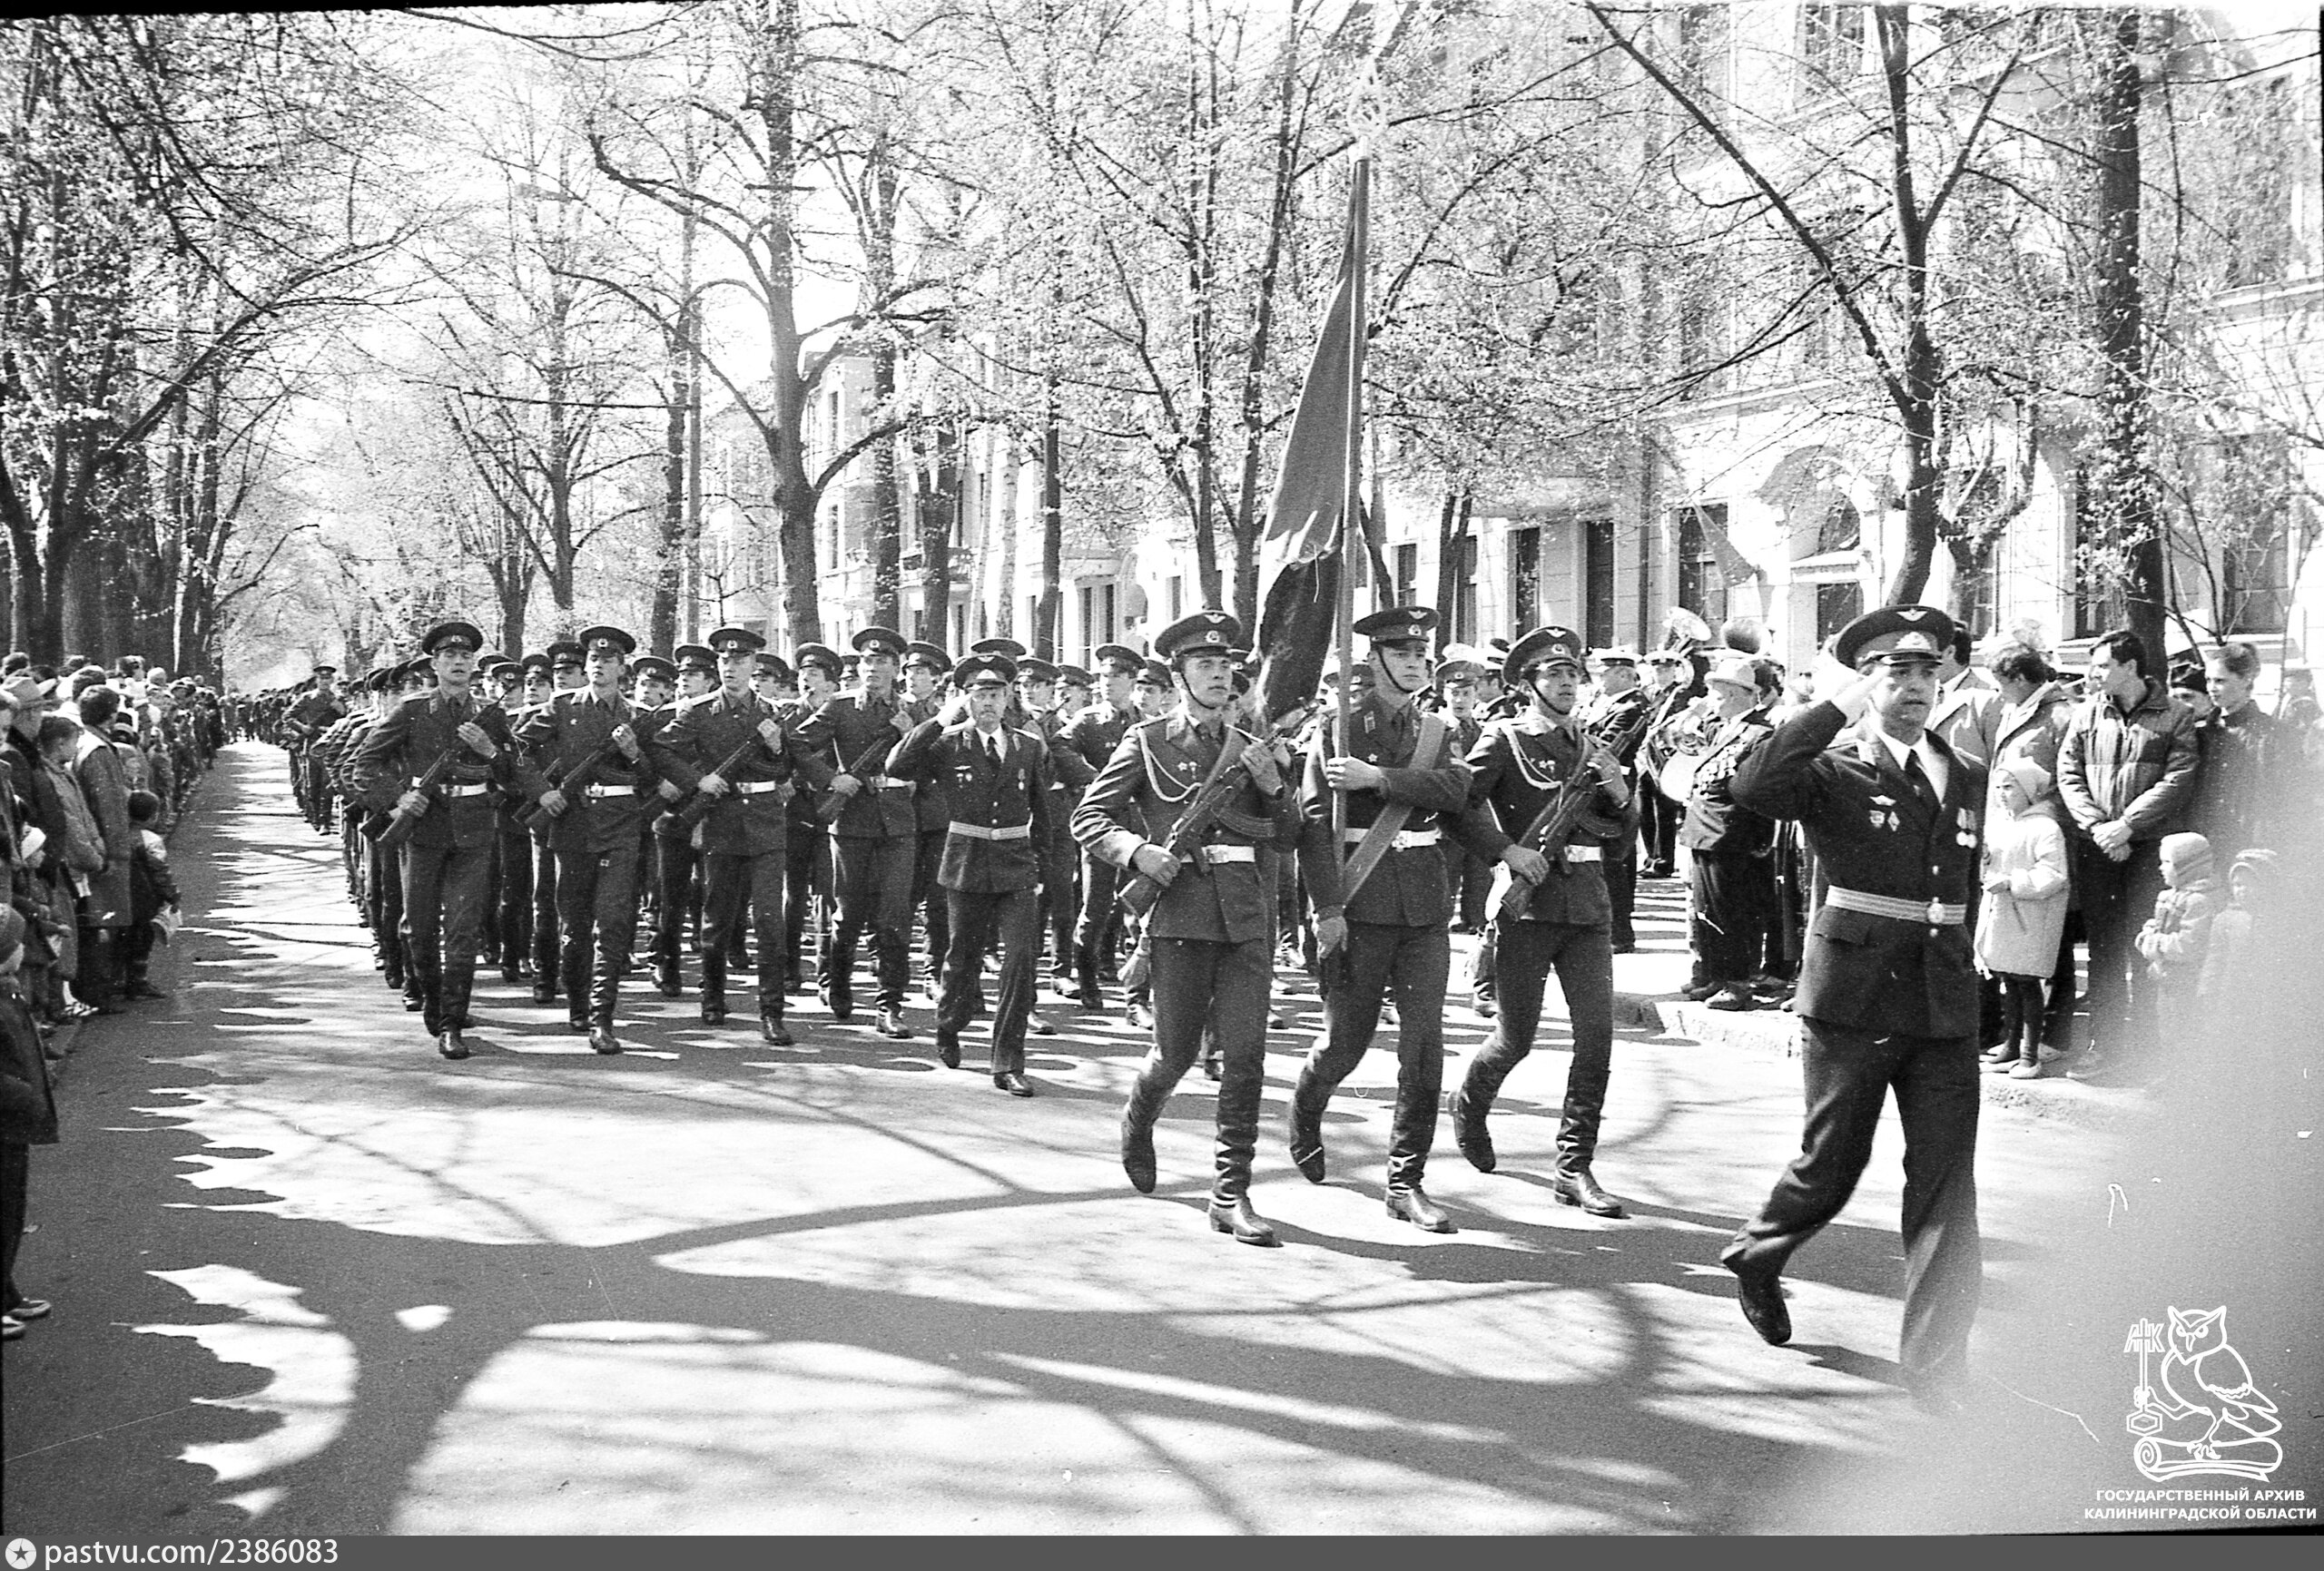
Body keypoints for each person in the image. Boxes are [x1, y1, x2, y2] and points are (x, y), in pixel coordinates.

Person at [1721, 605, 1987, 1417]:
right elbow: (1754, 785)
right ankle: (1759, 1255)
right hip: (1855, 999)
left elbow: (1959, 884)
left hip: (1944, 1000)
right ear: (1866, 681)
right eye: (1896, 671)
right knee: (1831, 1164)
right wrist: (1834, 704)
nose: (1916, 686)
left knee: (1947, 1187)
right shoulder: (1833, 767)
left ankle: (1937, 1368)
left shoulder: (1964, 768)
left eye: (1928, 670)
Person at [1074, 610, 1298, 1246]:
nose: (1219, 674)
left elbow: (1289, 835)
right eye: (1204, 664)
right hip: (1180, 914)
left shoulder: (1257, 746)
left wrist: (1274, 785)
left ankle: (1231, 1192)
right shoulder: (1149, 740)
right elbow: (1090, 817)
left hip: (1246, 915)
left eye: (1226, 664)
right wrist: (1137, 852)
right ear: (1179, 676)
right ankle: (1139, 1117)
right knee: (1174, 1054)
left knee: (1246, 1056)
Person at [1290, 605, 1471, 1232]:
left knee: (1424, 1048)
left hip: (1423, 904)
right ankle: (1306, 1107)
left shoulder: (1437, 729)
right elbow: (1314, 825)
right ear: (1374, 660)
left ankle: (1405, 1179)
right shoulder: (1338, 728)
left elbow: (1456, 793)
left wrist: (1379, 778)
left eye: (1421, 654)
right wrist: (1327, 909)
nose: (1416, 663)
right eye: (1401, 654)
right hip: (1359, 901)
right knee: (1346, 1043)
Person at [1445, 625, 1637, 1218]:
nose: (1566, 683)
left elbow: (1620, 841)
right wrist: (1505, 850)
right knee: (1516, 1038)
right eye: (1553, 674)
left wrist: (1620, 791)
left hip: (1588, 907)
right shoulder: (1506, 739)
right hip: (1529, 908)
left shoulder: (1593, 747)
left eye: (1572, 673)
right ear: (1528, 684)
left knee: (1597, 1038)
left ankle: (1574, 1166)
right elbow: (1457, 805)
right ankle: (1469, 1101)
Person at [353, 621, 541, 1059]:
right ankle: (434, 1003)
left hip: (475, 830)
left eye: (466, 657)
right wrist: (396, 801)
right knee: (419, 927)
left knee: (463, 928)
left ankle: (452, 1021)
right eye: (450, 657)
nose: (459, 663)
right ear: (434, 665)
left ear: (474, 666)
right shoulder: (412, 710)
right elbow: (365, 765)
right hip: (424, 830)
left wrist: (490, 750)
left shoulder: (490, 715)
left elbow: (517, 773)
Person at [888, 653, 1054, 1095]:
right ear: (965, 699)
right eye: (980, 695)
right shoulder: (948, 744)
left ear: (1008, 698)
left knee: (1020, 959)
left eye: (996, 694)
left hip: (1016, 865)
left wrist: (1042, 866)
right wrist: (940, 720)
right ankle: (949, 1023)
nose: (989, 703)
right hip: (966, 863)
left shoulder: (1027, 746)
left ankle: (1008, 1060)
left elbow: (1042, 811)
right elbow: (897, 766)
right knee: (962, 957)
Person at [2055, 629, 2200, 1083]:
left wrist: (2128, 825)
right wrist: (2098, 827)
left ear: (2130, 667)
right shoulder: (2086, 715)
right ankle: (2105, 1046)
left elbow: (2178, 778)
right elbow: (2068, 772)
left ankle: (2147, 1051)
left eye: (2102, 666)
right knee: (2103, 950)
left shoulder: (2175, 716)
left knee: (2145, 947)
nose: (2093, 674)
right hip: (2098, 847)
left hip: (2149, 850)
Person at [517, 625, 660, 1055]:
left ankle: (602, 1017)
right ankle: (578, 1004)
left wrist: (634, 753)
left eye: (608, 660)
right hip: (574, 824)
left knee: (612, 922)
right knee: (575, 924)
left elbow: (654, 776)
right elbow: (518, 750)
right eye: (593, 660)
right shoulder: (562, 707)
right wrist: (541, 791)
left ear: (622, 668)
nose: (599, 666)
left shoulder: (639, 716)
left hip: (621, 825)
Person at [650, 627, 796, 1044]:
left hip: (766, 823)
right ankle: (712, 997)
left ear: (753, 666)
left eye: (740, 661)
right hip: (723, 822)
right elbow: (660, 748)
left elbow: (787, 769)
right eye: (725, 661)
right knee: (717, 919)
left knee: (769, 920)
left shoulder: (772, 712)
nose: (731, 667)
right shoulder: (698, 711)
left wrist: (776, 747)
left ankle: (772, 1011)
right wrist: (697, 780)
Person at [787, 626, 921, 1039]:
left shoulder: (913, 711)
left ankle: (890, 1004)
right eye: (867, 662)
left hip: (898, 822)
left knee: (895, 916)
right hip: (852, 821)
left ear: (896, 669)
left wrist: (909, 736)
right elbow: (798, 743)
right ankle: (837, 982)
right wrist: (831, 779)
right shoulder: (841, 706)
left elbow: (934, 760)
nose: (873, 669)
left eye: (882, 662)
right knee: (848, 914)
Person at [1677, 653, 1777, 1010]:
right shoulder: (1725, 728)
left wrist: (1760, 839)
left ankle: (1737, 984)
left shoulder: (1760, 734)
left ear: (1735, 695)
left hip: (1731, 835)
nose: (1711, 701)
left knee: (1731, 913)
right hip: (1706, 831)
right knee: (1707, 912)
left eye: (1717, 694)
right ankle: (1717, 976)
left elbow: (1760, 790)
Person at [1974, 759, 2069, 1079]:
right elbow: (1990, 864)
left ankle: (2030, 1055)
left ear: (2028, 790)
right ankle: (2011, 1047)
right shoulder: (1999, 824)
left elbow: (2053, 873)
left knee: (2028, 984)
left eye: (2010, 787)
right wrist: (1984, 859)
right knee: (2009, 981)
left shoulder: (2045, 827)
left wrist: (2012, 882)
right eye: (1998, 787)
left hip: (2030, 918)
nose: (2002, 794)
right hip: (2003, 915)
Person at [1065, 643, 1144, 1010]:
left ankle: (1138, 993)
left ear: (1132, 681)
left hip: (1139, 825)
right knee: (1095, 905)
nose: (1106, 683)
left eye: (1114, 676)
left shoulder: (1147, 722)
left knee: (1141, 906)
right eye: (1102, 676)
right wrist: (1093, 779)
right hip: (1102, 825)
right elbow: (1059, 747)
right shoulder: (1089, 721)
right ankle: (1087, 979)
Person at [0, 907, 58, 1342]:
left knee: (11, 1211)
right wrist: (25, 1094)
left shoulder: (8, 991)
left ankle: (6, 1291)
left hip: (12, 1124)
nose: (24, 948)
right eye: (17, 942)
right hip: (7, 1116)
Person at [1581, 646, 1652, 951]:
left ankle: (1620, 933)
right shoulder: (1609, 703)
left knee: (1614, 863)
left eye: (1605, 673)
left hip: (1613, 788)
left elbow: (1608, 746)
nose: (1600, 679)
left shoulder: (1631, 707)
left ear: (1624, 674)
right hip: (1601, 787)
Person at [2133, 831, 2220, 1056]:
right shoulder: (2170, 895)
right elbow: (2160, 924)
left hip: (2186, 981)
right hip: (2167, 978)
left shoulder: (2199, 900)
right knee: (2168, 1030)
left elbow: (2188, 945)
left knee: (2184, 1033)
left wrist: (2152, 942)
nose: (2161, 868)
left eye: (2167, 862)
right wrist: (2149, 931)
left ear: (2187, 866)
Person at [2191, 641, 2278, 860]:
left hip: (2250, 843)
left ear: (2246, 679)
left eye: (2220, 681)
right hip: (2204, 842)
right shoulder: (2201, 733)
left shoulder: (2273, 734)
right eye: (2208, 680)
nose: (2211, 688)